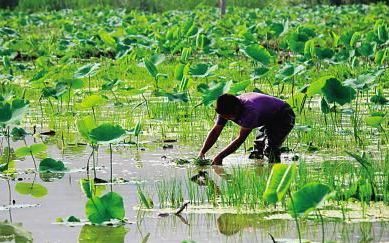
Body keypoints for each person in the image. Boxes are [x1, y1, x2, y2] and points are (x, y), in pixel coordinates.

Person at [198, 92, 295, 165]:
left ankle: (275, 175)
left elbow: (240, 139)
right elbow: (215, 131)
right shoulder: (225, 110)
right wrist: (202, 152)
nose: (226, 119)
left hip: (283, 115)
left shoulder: (250, 112)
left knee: (271, 150)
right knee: (257, 151)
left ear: (236, 109)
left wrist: (220, 157)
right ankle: (260, 175)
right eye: (224, 116)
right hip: (266, 116)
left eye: (228, 116)